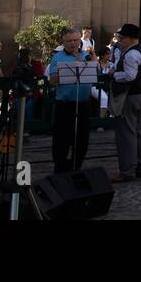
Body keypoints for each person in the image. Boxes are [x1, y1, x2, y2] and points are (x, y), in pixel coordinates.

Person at [48, 27, 95, 173]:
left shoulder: (86, 55)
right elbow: (52, 80)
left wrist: (93, 62)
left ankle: (76, 167)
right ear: (64, 42)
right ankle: (60, 169)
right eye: (69, 41)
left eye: (75, 40)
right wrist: (68, 71)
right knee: (62, 139)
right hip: (65, 105)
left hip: (83, 104)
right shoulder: (58, 57)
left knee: (82, 139)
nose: (73, 43)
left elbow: (95, 73)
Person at [110, 23, 141, 183]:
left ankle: (127, 171)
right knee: (137, 133)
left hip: (129, 97)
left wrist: (114, 75)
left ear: (131, 38)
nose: (119, 40)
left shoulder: (131, 54)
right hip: (140, 96)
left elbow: (129, 76)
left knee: (126, 135)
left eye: (121, 38)